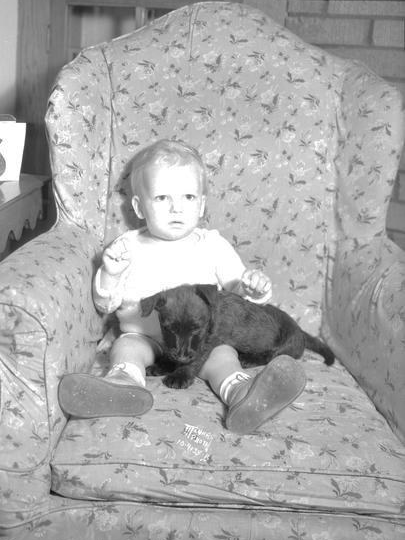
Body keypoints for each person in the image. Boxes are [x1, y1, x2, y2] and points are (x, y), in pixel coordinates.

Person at [58, 139, 306, 434]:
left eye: (188, 197)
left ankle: (243, 394)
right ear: (139, 206)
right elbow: (105, 304)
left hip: (199, 345)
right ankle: (122, 385)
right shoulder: (126, 247)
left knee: (222, 355)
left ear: (201, 204)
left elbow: (238, 289)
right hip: (143, 336)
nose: (176, 208)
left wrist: (254, 287)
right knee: (127, 348)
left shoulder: (212, 245)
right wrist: (110, 273)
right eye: (162, 198)